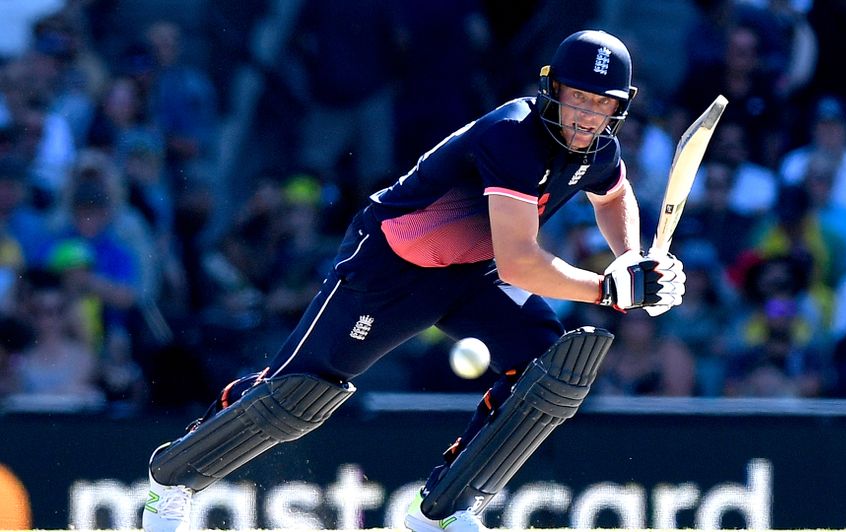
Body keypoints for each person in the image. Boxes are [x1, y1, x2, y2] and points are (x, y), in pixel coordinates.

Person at [141, 30, 686, 532]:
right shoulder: (512, 136)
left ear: (619, 107)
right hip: (390, 266)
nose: (587, 115)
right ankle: (171, 481)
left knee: (551, 368)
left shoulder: (600, 148)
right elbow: (521, 263)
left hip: (471, 273)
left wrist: (629, 259)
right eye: (578, 97)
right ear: (553, 90)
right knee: (296, 396)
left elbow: (613, 195)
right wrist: (608, 291)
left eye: (602, 103)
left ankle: (442, 512)